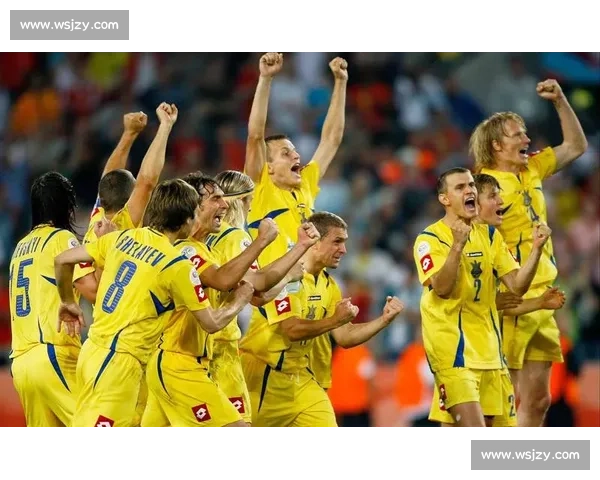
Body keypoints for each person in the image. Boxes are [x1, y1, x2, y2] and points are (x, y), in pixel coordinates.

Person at [54, 179, 252, 428]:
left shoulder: (123, 238)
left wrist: (68, 301)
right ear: (186, 219)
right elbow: (211, 323)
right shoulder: (176, 265)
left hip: (91, 352)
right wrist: (240, 300)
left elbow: (62, 260)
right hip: (120, 363)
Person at [469, 79, 587, 428]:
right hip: (511, 296)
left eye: (525, 132)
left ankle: (526, 454)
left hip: (544, 293)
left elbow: (576, 146)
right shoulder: (482, 187)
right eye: (517, 134)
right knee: (500, 398)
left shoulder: (532, 168)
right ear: (496, 145)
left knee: (538, 400)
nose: (526, 139)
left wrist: (560, 100)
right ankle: (483, 455)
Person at [168, 171, 316, 425]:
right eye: (250, 201)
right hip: (213, 350)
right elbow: (257, 292)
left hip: (186, 350)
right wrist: (288, 273)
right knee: (238, 427)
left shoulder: (202, 243)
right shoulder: (233, 237)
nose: (251, 208)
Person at [413, 167, 550, 428]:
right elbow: (441, 288)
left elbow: (517, 286)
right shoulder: (429, 239)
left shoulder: (489, 235)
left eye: (471, 186)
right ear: (444, 199)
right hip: (453, 353)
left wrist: (536, 249)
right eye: (460, 187)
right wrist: (457, 245)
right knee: (476, 435)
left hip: (491, 353)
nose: (469, 191)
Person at [240, 211, 404, 428]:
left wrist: (383, 320)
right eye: (337, 241)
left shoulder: (330, 285)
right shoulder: (285, 277)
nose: (344, 250)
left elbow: (344, 336)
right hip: (263, 377)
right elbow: (292, 329)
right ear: (315, 242)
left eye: (344, 242)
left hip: (301, 379)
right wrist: (335, 320)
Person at [243, 52, 347, 274]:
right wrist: (266, 79)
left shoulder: (304, 184)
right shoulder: (260, 186)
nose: (296, 156)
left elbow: (331, 139)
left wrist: (340, 82)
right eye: (285, 153)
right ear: (269, 167)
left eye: (295, 151)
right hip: (272, 285)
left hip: (305, 282)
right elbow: (255, 136)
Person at [8, 172, 99, 427]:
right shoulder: (61, 239)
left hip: (21, 363)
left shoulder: (20, 247)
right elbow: (92, 290)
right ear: (65, 206)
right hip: (52, 354)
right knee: (97, 426)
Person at [75, 104, 173, 279]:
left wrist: (129, 133)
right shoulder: (122, 223)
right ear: (129, 200)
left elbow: (110, 178)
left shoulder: (98, 216)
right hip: (117, 296)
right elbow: (147, 181)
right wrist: (165, 126)